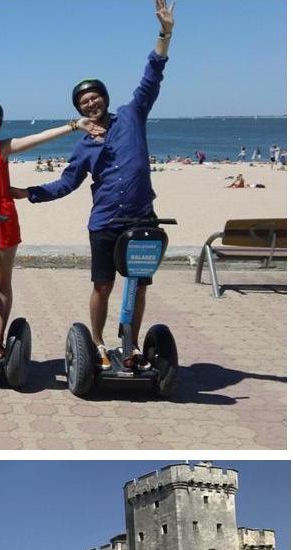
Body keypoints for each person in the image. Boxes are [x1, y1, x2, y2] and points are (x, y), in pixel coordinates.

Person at [24, 0, 177, 370]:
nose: (90, 103)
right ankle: (97, 341)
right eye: (83, 101)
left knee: (139, 284)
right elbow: (66, 183)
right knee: (103, 286)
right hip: (105, 222)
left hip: (142, 218)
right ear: (80, 109)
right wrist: (27, 193)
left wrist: (165, 33)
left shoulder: (131, 114)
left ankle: (133, 343)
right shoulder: (83, 146)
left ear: (104, 98)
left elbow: (151, 76)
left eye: (94, 97)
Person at [0, 101, 99, 356]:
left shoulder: (2, 149)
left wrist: (74, 125)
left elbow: (37, 139)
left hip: (3, 219)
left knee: (1, 281)